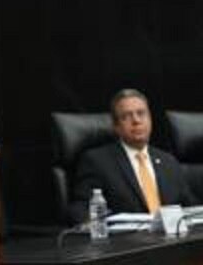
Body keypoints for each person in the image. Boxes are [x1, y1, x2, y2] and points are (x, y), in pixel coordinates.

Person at [68, 89, 196, 223]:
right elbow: (80, 209)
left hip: (173, 239)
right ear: (116, 126)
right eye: (127, 116)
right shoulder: (97, 162)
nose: (136, 120)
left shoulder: (168, 161)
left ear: (150, 119)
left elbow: (191, 207)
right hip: (127, 242)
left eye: (141, 113)